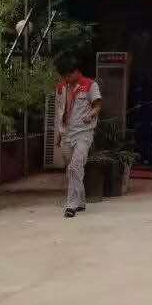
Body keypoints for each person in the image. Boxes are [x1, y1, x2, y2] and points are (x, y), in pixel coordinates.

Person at [55, 57, 101, 218]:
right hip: (67, 133)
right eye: (63, 76)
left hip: (84, 132)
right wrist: (59, 133)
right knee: (73, 169)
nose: (65, 78)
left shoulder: (90, 85)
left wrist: (91, 114)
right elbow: (60, 111)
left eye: (68, 75)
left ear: (76, 72)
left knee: (75, 166)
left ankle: (71, 205)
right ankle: (80, 201)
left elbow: (98, 105)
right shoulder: (61, 87)